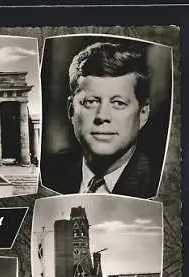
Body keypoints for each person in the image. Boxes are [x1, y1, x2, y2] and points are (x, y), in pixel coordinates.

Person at [45, 42, 157, 198]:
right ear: (71, 110)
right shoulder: (50, 174)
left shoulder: (160, 182)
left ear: (143, 113)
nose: (102, 116)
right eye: (91, 102)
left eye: (119, 103)